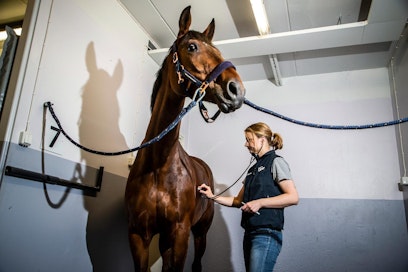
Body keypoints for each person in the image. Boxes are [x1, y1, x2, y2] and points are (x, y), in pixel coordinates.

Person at [198, 122, 299, 272]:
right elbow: (238, 201)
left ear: (262, 140)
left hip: (266, 234)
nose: (246, 144)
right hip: (250, 234)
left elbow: (293, 197)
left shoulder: (276, 162)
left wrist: (260, 203)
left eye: (249, 139)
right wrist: (212, 196)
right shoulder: (252, 169)